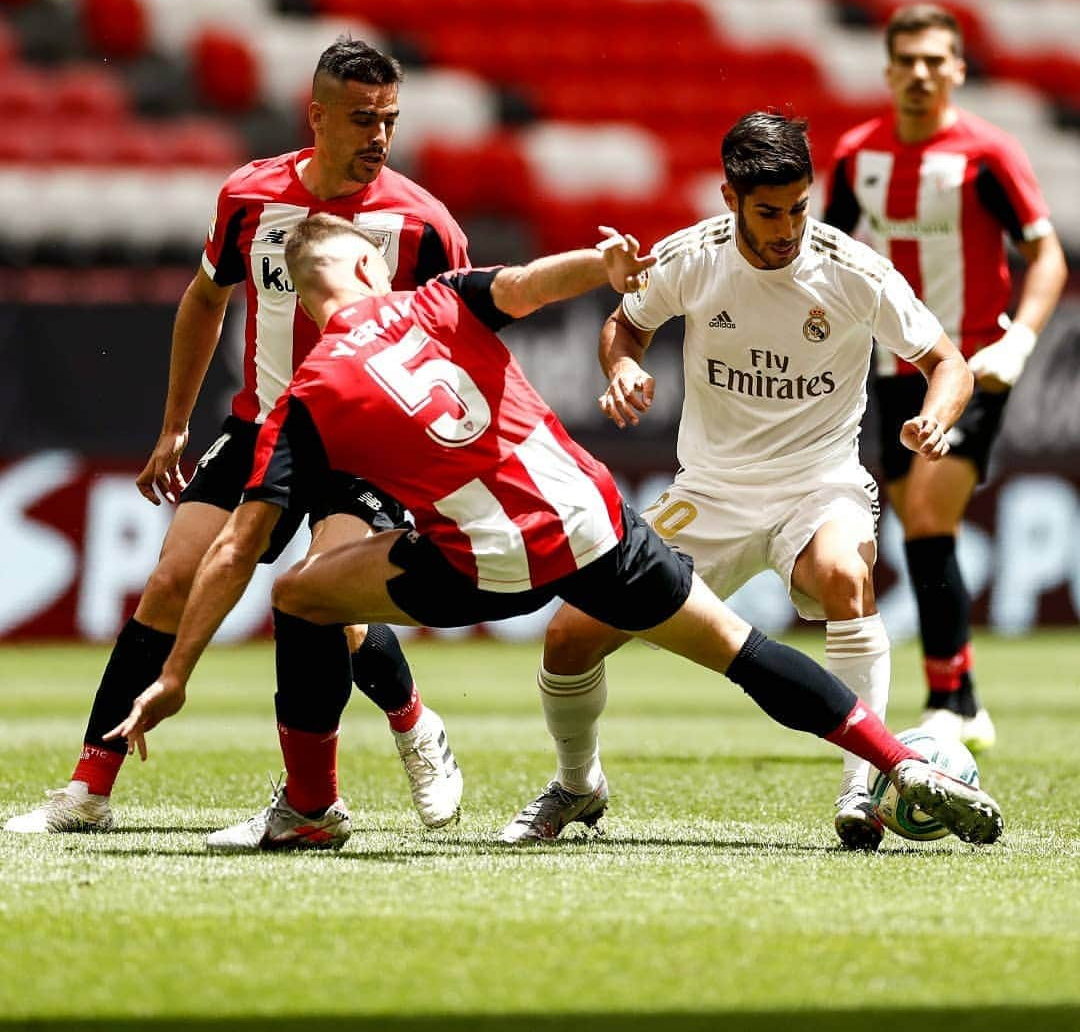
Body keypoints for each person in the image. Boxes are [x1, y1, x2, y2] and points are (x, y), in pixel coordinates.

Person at [108, 213, 1003, 854]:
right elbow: (532, 286)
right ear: (372, 271)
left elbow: (234, 549)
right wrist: (605, 263)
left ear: (307, 301)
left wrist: (178, 673)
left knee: (303, 593)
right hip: (598, 522)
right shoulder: (437, 301)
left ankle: (311, 805)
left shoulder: (305, 397)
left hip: (490, 565)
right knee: (739, 648)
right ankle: (896, 759)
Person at [5, 38, 467, 837]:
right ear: (316, 114)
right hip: (262, 424)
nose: (379, 137)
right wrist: (175, 423)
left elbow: (462, 341)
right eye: (362, 119)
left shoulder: (424, 225)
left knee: (329, 597)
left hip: (362, 440)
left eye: (389, 119)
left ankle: (411, 727)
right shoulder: (251, 198)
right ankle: (88, 790)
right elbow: (203, 299)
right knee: (169, 582)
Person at [499, 110, 974, 853]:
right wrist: (622, 366)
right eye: (768, 212)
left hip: (819, 485)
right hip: (710, 493)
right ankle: (577, 786)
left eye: (799, 207)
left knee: (844, 576)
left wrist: (937, 420)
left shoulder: (853, 270)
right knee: (568, 636)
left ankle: (862, 788)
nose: (787, 229)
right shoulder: (693, 257)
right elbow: (626, 324)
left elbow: (948, 362)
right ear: (730, 198)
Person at [825, 3, 1067, 752]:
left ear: (958, 69)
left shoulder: (987, 154)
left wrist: (1021, 341)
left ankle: (953, 702)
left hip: (971, 364)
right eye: (909, 61)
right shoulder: (856, 156)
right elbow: (823, 253)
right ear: (889, 70)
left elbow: (1048, 256)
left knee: (928, 514)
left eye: (938, 60)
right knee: (921, 527)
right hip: (893, 365)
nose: (923, 74)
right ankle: (959, 692)